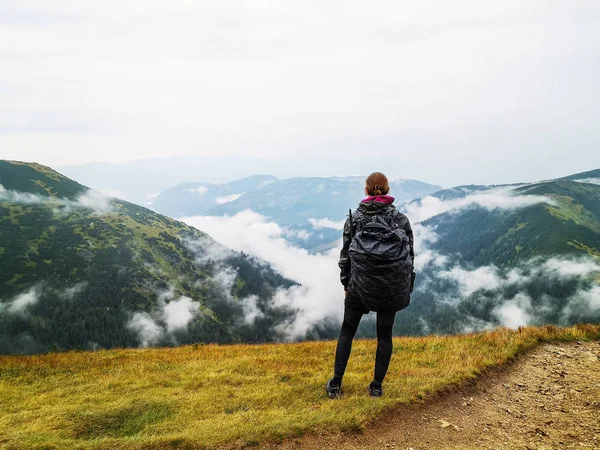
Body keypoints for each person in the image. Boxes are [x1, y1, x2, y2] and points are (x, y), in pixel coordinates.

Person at [326, 172, 415, 399]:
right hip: (390, 287)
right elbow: (409, 257)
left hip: (358, 285)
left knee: (347, 330)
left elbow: (346, 255)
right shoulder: (401, 220)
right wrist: (404, 285)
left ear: (366, 190)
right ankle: (376, 387)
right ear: (387, 190)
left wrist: (346, 283)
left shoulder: (355, 218)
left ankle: (336, 383)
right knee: (384, 336)